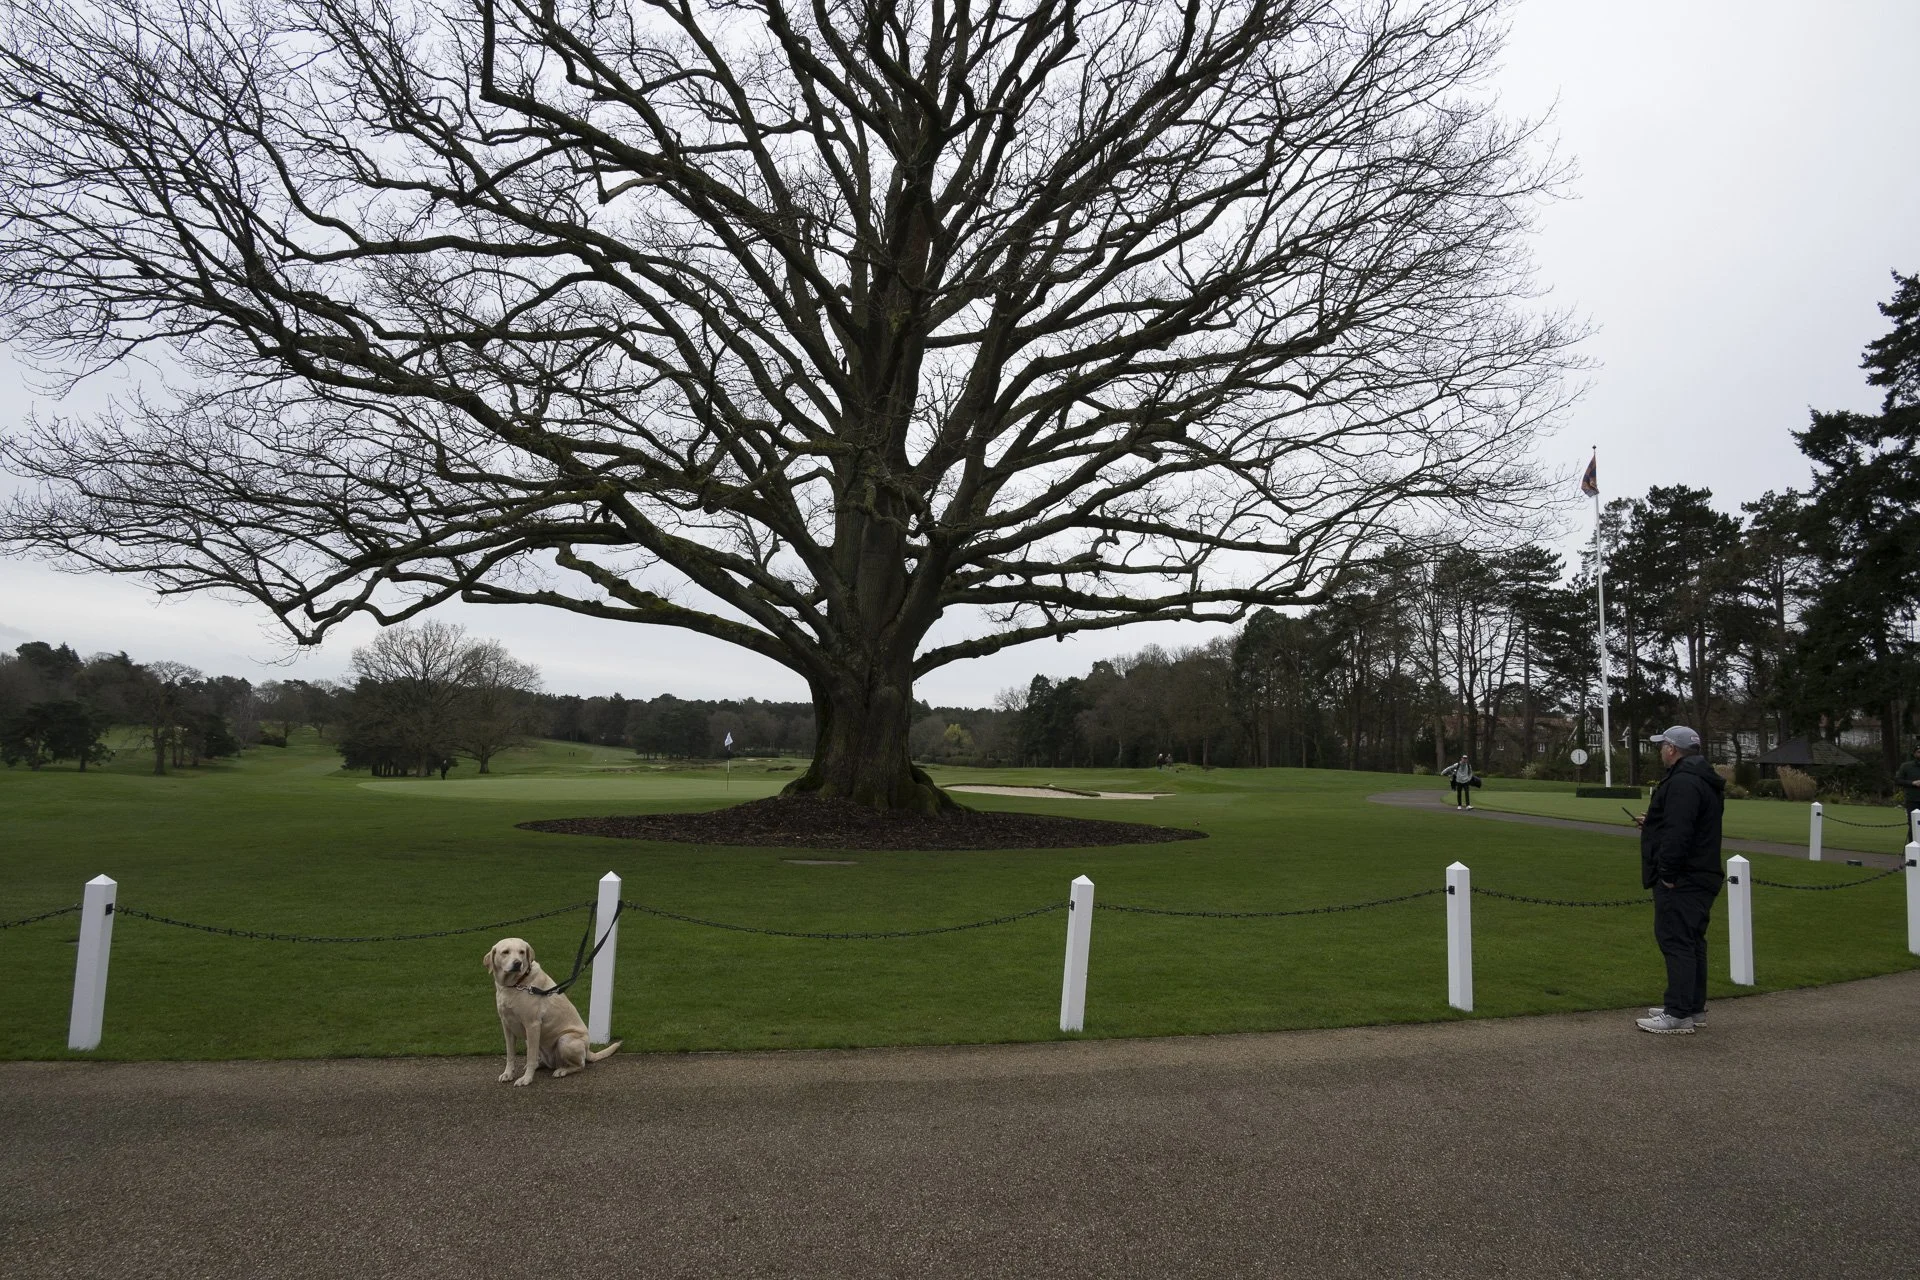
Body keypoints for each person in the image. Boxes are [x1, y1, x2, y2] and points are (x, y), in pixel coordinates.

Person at [1633, 726, 1725, 1035]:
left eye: (1663, 746)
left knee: (1676, 940)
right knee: (1692, 941)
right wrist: (1653, 823)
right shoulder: (1700, 778)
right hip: (1701, 872)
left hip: (1685, 876)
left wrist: (1668, 874)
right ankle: (1691, 1006)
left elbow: (1680, 833)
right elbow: (1684, 824)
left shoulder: (1683, 782)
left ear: (1672, 749)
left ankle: (1678, 1012)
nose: (1661, 750)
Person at [1896, 744, 1920, 838]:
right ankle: (1913, 847)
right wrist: (1913, 783)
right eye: (1919, 752)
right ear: (1914, 753)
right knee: (1913, 825)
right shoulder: (1906, 766)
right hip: (1912, 800)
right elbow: (1898, 780)